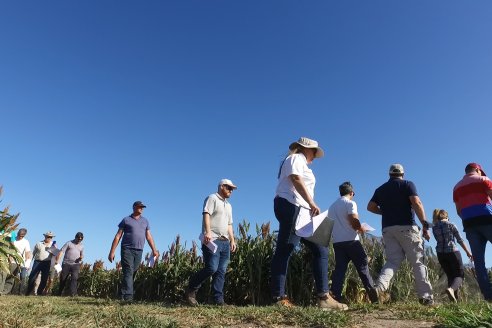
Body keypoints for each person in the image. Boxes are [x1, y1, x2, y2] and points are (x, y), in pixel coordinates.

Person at [270, 137, 348, 311]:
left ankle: (324, 298)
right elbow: (296, 179)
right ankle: (278, 297)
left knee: (321, 248)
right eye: (314, 152)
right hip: (292, 206)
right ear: (306, 148)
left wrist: (310, 205)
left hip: (303, 210)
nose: (315, 156)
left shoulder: (302, 162)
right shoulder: (296, 158)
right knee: (285, 249)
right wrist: (312, 203)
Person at [367, 164, 434, 305]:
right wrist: (424, 223)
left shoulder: (380, 189)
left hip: (388, 230)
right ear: (402, 174)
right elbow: (416, 202)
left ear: (390, 174)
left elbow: (370, 207)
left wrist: (383, 212)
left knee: (392, 261)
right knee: (417, 262)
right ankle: (426, 297)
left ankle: (379, 288)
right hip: (407, 227)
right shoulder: (408, 184)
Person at [185, 179, 238, 306]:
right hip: (212, 239)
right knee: (211, 268)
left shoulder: (229, 205)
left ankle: (218, 300)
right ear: (221, 186)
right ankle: (191, 289)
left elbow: (229, 224)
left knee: (221, 271)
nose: (231, 191)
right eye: (229, 188)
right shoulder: (212, 198)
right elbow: (206, 214)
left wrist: (232, 240)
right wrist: (207, 232)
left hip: (225, 242)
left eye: (232, 189)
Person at [329, 182, 378, 304]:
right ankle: (374, 298)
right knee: (363, 267)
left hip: (337, 242)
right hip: (351, 241)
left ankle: (335, 296)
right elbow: (354, 221)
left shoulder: (332, 207)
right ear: (351, 193)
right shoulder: (350, 203)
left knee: (340, 269)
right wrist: (361, 228)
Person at [453, 162, 492, 302]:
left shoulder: (456, 187)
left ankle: (488, 296)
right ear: (477, 169)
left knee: (479, 262)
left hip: (469, 225)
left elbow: (459, 211)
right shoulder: (484, 180)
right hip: (488, 220)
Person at [108, 201, 159, 302]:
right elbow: (118, 236)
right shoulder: (126, 220)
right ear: (134, 207)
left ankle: (122, 294)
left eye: (142, 207)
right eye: (140, 207)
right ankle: (128, 297)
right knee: (128, 271)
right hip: (127, 249)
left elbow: (148, 236)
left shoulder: (145, 221)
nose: (141, 209)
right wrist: (112, 252)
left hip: (139, 250)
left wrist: (154, 250)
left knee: (132, 272)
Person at [431, 209, 473, 302]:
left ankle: (454, 301)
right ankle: (451, 290)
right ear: (446, 216)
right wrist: (468, 252)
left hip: (440, 254)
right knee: (459, 275)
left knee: (450, 276)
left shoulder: (434, 227)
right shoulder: (451, 225)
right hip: (452, 252)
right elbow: (459, 240)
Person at [26, 231, 56, 296]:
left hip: (47, 263)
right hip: (37, 262)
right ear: (45, 236)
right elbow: (33, 253)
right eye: (48, 236)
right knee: (32, 277)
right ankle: (28, 292)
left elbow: (55, 255)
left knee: (44, 279)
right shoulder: (38, 243)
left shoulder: (53, 245)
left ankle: (39, 293)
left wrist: (54, 249)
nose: (49, 238)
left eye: (51, 237)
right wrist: (29, 263)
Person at [55, 232, 84, 296]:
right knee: (63, 278)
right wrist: (57, 260)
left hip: (76, 264)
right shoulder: (69, 243)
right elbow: (62, 251)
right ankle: (59, 292)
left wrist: (81, 257)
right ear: (75, 237)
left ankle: (73, 294)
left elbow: (82, 254)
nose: (79, 240)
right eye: (78, 239)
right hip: (66, 263)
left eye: (81, 239)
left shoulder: (81, 246)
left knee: (74, 278)